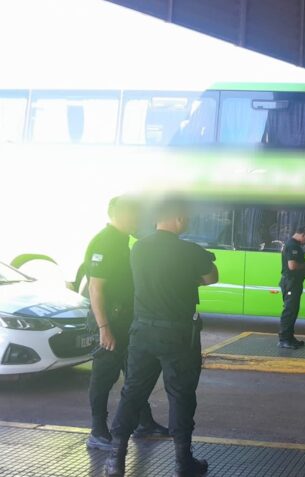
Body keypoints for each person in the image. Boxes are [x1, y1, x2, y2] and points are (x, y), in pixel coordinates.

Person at [104, 198, 218, 477]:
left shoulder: (138, 248)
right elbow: (211, 277)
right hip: (178, 335)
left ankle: (115, 461)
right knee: (180, 395)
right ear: (178, 219)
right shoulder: (190, 250)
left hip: (142, 332)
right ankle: (182, 462)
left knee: (132, 392)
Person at [84, 196, 169, 451]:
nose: (138, 220)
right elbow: (95, 288)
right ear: (121, 215)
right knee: (103, 377)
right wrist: (104, 328)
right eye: (135, 214)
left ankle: (144, 422)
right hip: (110, 323)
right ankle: (98, 431)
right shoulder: (105, 242)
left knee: (135, 375)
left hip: (126, 322)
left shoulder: (123, 242)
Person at [278, 225, 305, 349]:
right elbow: (292, 266)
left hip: (294, 283)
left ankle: (290, 338)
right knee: (289, 311)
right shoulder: (292, 246)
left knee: (293, 311)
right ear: (303, 235)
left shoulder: (294, 245)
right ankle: (284, 340)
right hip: (291, 282)